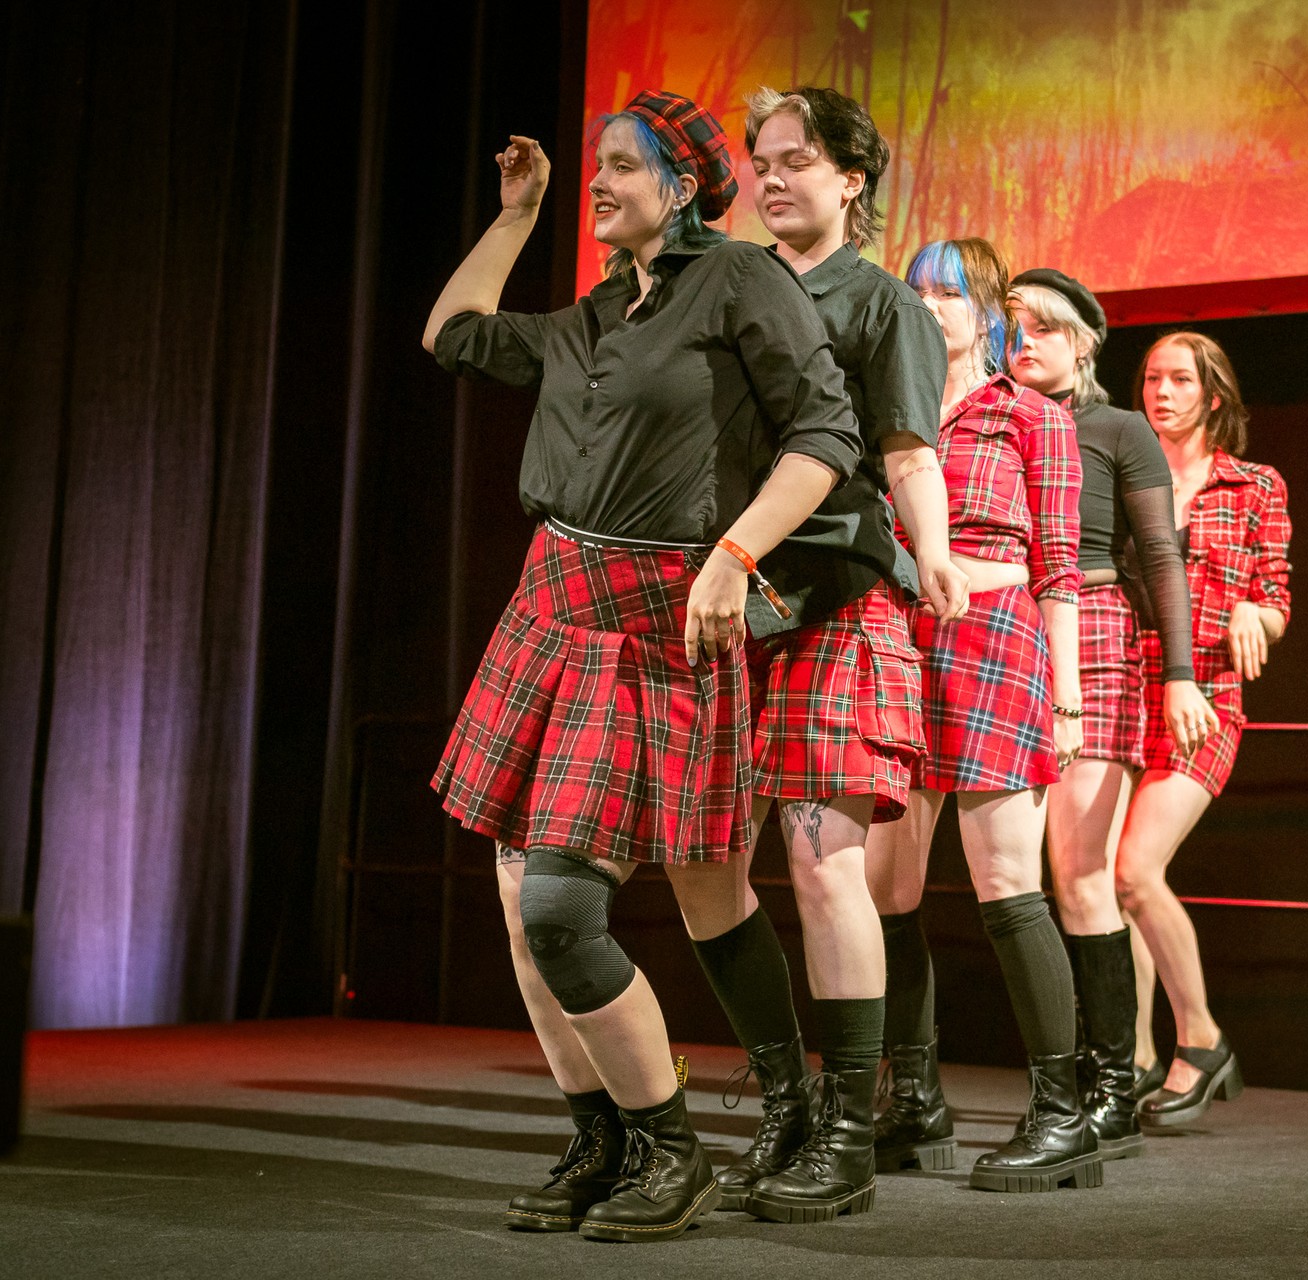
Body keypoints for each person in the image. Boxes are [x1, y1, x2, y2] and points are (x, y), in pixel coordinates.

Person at [423, 91, 863, 1241]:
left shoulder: (741, 281)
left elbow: (826, 437)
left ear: (682, 180)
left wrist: (736, 553)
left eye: (622, 163)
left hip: (657, 623)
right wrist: (518, 215)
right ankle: (607, 1136)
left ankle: (685, 1144)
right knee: (524, 900)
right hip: (551, 610)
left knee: (579, 904)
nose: (600, 180)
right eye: (598, 164)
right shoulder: (593, 313)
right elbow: (452, 332)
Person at [658, 84, 964, 1226]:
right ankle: (787, 1100)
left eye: (798, 159)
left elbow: (907, 451)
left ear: (851, 179)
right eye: (763, 161)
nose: (774, 177)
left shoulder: (882, 305)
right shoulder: (725, 282)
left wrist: (933, 550)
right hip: (722, 607)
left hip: (836, 596)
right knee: (702, 864)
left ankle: (847, 1128)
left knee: (823, 857)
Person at [864, 237, 1103, 1193]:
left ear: (988, 310)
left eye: (949, 292)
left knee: (1007, 881)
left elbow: (1060, 569)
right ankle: (915, 1104)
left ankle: (1064, 1114)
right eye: (917, 291)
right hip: (896, 641)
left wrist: (1068, 700)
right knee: (886, 887)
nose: (930, 306)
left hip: (997, 642)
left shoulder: (1030, 416)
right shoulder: (891, 409)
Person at [1004, 269, 1216, 1160]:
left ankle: (1110, 1088)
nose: (1024, 342)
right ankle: (1061, 1088)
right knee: (1012, 877)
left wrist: (1178, 675)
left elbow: (1161, 556)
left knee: (1082, 872)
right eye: (1012, 326)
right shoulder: (988, 422)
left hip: (1091, 626)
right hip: (1003, 627)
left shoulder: (1119, 429)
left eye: (1044, 328)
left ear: (1084, 341)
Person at [1116, 331, 1291, 1128]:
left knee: (1134, 871)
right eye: (1152, 378)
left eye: (1179, 380)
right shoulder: (1124, 473)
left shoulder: (1254, 485)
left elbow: (1276, 595)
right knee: (1106, 889)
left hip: (1205, 698)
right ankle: (1134, 1058)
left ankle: (1201, 1038)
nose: (1161, 392)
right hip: (1123, 685)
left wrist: (1256, 610)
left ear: (1213, 395)